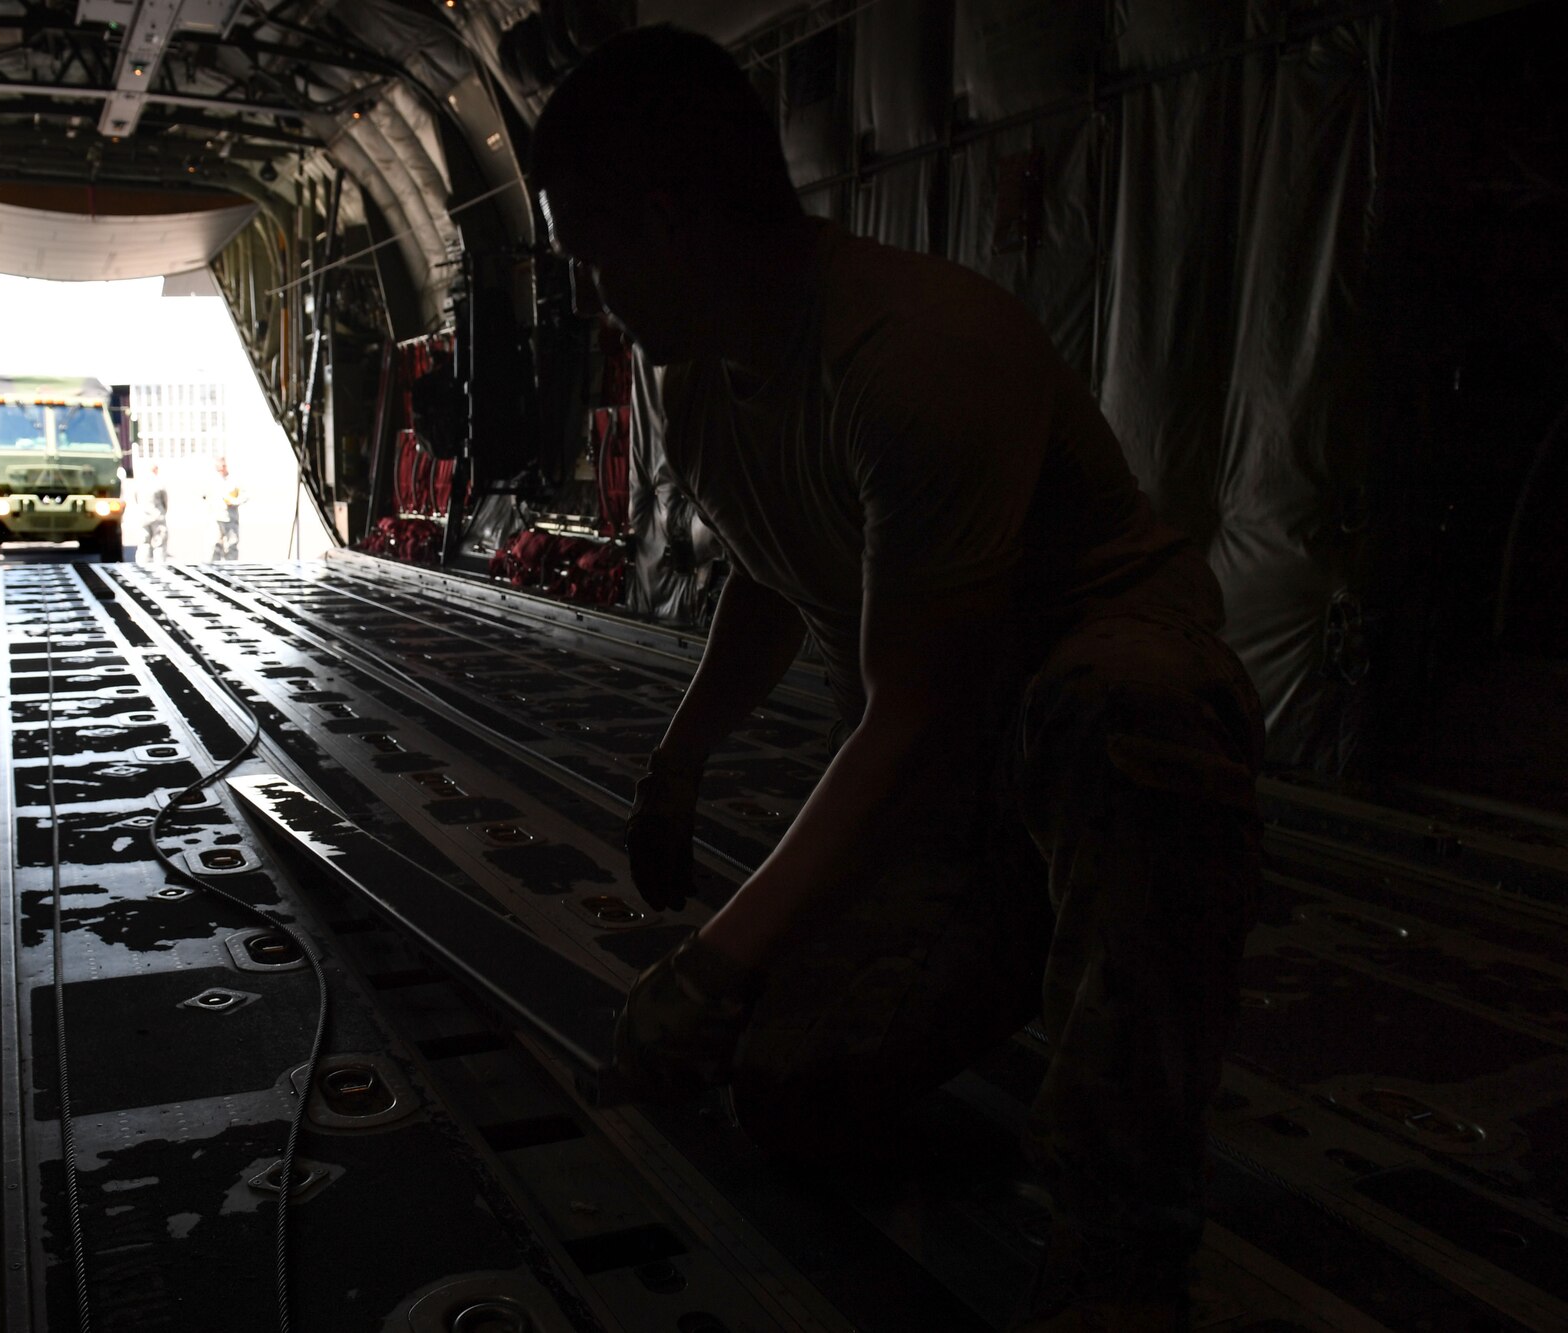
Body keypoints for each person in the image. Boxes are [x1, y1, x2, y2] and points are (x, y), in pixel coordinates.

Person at [531, 26, 1263, 1333]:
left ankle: (1124, 1236)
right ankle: (1041, 922)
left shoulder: (917, 355)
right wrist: (679, 763)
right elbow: (771, 563)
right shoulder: (700, 375)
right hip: (962, 759)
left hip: (1089, 706)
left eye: (593, 257)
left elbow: (913, 701)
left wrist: (713, 958)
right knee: (794, 1087)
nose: (598, 299)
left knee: (1119, 717)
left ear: (666, 222)